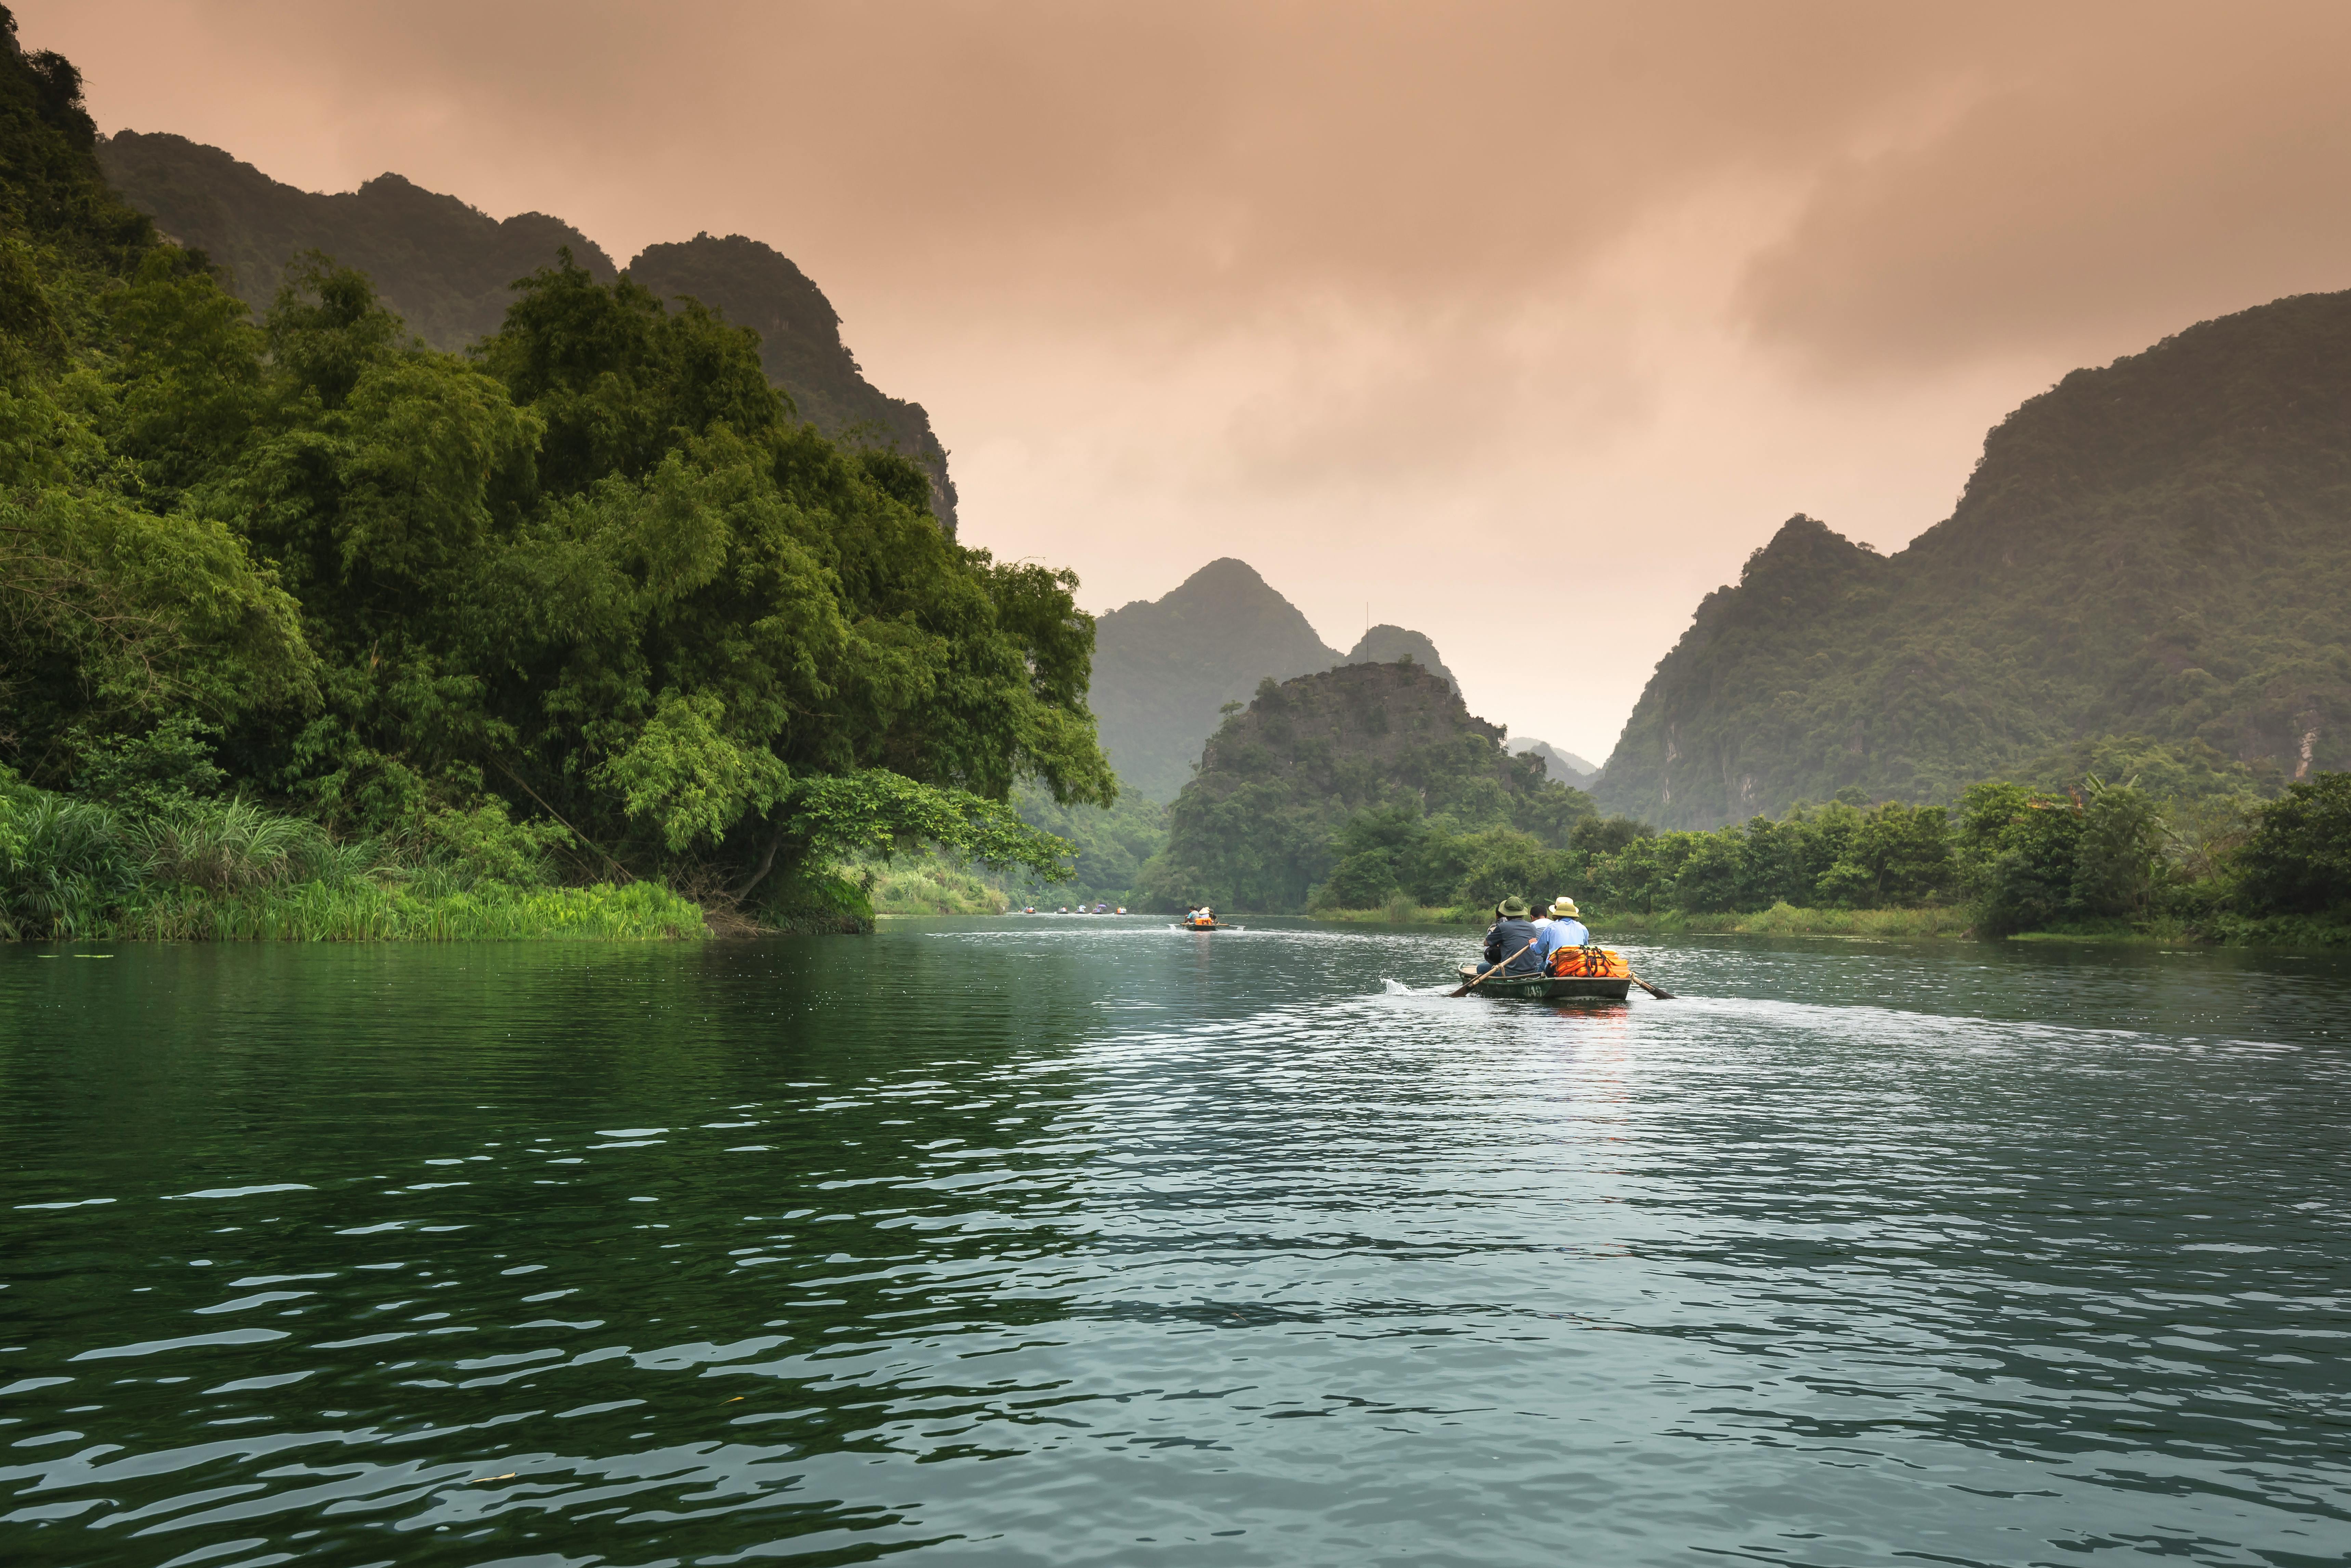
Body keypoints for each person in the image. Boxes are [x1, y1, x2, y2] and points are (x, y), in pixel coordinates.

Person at [1481, 897, 1545, 976]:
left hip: (1510, 973)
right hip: (1531, 972)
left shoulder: (1503, 927)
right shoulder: (1532, 927)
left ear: (1506, 914)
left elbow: (1486, 943)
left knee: (1481, 968)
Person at [1532, 897, 1590, 969]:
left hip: (1556, 968)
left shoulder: (1551, 928)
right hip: (1577, 966)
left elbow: (1538, 950)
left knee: (1543, 964)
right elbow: (1586, 949)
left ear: (1557, 914)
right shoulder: (1583, 928)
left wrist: (1532, 944)